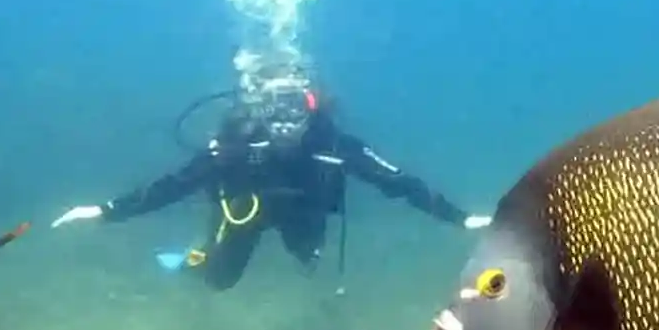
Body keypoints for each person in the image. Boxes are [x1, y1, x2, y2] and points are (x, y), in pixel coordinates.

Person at [52, 80, 490, 290]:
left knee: (308, 258)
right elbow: (174, 185)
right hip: (246, 213)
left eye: (295, 108)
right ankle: (194, 257)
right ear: (258, 110)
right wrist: (106, 211)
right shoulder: (236, 147)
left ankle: (299, 250)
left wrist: (459, 218)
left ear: (312, 107)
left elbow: (396, 181)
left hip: (304, 213)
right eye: (274, 110)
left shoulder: (334, 145)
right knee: (219, 280)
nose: (284, 121)